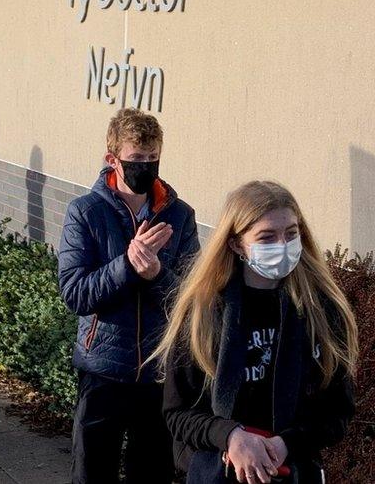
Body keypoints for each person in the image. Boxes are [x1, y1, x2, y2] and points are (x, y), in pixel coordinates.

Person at [153, 181, 358, 484]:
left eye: (291, 233)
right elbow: (178, 413)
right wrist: (231, 437)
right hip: (217, 471)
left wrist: (286, 443)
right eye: (267, 237)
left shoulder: (321, 310)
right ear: (236, 243)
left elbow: (337, 412)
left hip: (292, 471)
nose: (283, 245)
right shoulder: (203, 313)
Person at [59, 108, 200, 484]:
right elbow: (74, 293)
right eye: (136, 159)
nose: (146, 167)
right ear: (112, 159)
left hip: (157, 372)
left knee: (152, 472)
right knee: (92, 471)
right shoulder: (85, 213)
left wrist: (155, 274)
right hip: (102, 368)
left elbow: (193, 298)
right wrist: (127, 266)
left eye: (153, 159)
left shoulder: (180, 216)